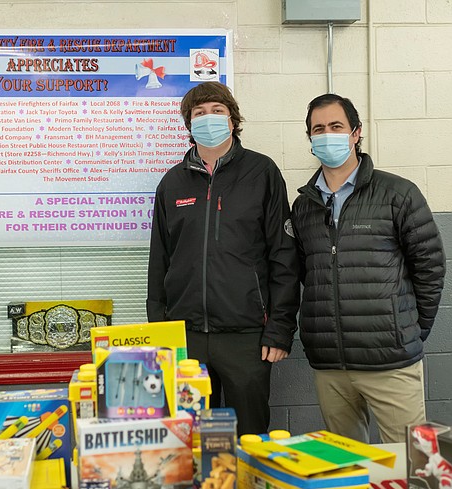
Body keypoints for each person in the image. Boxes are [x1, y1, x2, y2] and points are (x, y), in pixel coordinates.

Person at [291, 93, 446, 443]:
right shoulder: (303, 206)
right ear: (311, 140)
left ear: (356, 133)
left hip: (390, 360)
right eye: (319, 129)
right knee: (347, 467)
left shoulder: (398, 194)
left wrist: (408, 329)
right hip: (330, 364)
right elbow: (304, 273)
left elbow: (430, 268)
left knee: (411, 464)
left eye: (336, 126)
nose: (327, 134)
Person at [147, 81, 300, 435]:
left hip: (247, 336)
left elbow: (283, 256)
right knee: (190, 437)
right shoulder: (172, 183)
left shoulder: (262, 173)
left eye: (217, 111)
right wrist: (160, 330)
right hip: (186, 337)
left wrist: (279, 330)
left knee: (250, 435)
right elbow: (160, 262)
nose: (208, 118)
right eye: (199, 113)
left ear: (232, 120)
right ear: (188, 124)